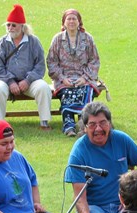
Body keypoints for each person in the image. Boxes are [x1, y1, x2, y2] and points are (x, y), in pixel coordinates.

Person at [65, 102, 137, 213]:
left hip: (124, 204)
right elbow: (80, 198)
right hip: (95, 207)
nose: (98, 128)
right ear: (85, 127)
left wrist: (131, 196)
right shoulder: (79, 152)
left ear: (110, 123)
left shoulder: (122, 139)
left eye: (103, 123)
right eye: (92, 124)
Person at [0, 4, 51, 130]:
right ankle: (0, 125)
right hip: (7, 81)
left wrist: (28, 80)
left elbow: (40, 65)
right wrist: (11, 81)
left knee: (43, 87)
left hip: (29, 82)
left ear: (22, 26)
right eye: (8, 25)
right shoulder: (2, 42)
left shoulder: (33, 41)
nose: (10, 28)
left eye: (14, 25)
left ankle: (44, 123)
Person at [47, 9, 101, 137]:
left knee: (86, 90)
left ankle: (84, 125)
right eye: (68, 19)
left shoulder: (88, 39)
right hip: (63, 78)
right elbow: (51, 62)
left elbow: (94, 60)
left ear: (79, 21)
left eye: (74, 19)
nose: (71, 21)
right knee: (67, 92)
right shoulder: (57, 39)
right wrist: (62, 77)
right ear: (64, 22)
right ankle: (69, 126)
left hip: (84, 77)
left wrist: (85, 77)